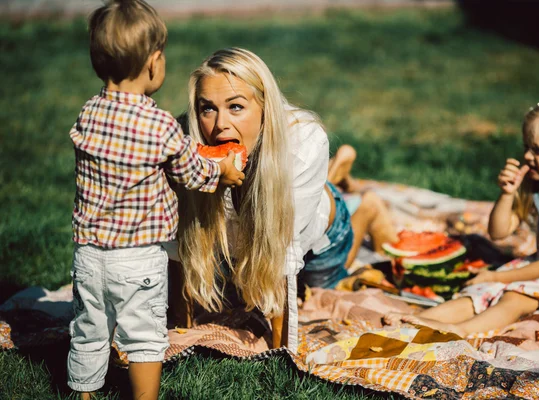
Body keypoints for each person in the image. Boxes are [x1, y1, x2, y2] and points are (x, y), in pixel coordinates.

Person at [67, 1, 244, 399]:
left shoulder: (88, 114)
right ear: (153, 63)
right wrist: (225, 173)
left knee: (89, 329)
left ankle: (83, 394)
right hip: (138, 256)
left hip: (88, 255)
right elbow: (193, 174)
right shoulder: (159, 124)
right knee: (143, 335)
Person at [170, 47, 378, 352]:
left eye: (236, 107)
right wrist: (180, 333)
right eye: (207, 109)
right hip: (242, 243)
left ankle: (368, 209)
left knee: (322, 287)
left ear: (265, 107)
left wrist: (282, 352)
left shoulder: (304, 140)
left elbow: (286, 251)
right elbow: (178, 242)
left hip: (319, 232)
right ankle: (336, 172)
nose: (219, 125)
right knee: (235, 296)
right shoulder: (183, 144)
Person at [385, 98, 539, 336]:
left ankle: (458, 330)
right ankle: (416, 319)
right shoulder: (538, 184)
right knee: (482, 288)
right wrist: (507, 194)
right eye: (526, 146)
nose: (527, 156)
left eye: (538, 150)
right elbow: (499, 232)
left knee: (515, 296)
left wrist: (500, 275)